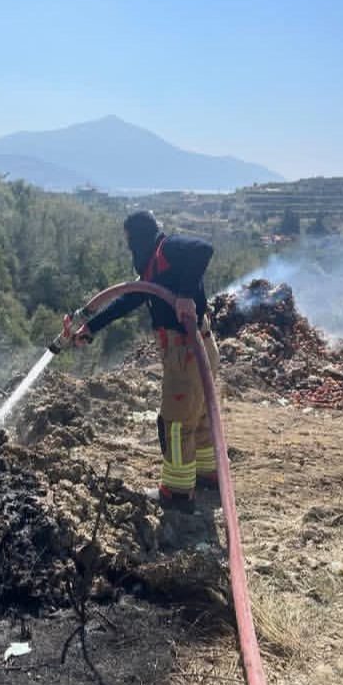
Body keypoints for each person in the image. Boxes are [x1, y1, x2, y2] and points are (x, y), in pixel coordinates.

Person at [74, 210, 220, 511]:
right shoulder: (154, 268)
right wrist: (91, 327)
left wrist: (183, 295)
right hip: (200, 348)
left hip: (185, 352)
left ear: (139, 236)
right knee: (200, 414)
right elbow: (130, 297)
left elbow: (203, 249)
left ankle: (178, 493)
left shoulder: (166, 249)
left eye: (130, 241)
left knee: (177, 420)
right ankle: (208, 475)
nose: (130, 248)